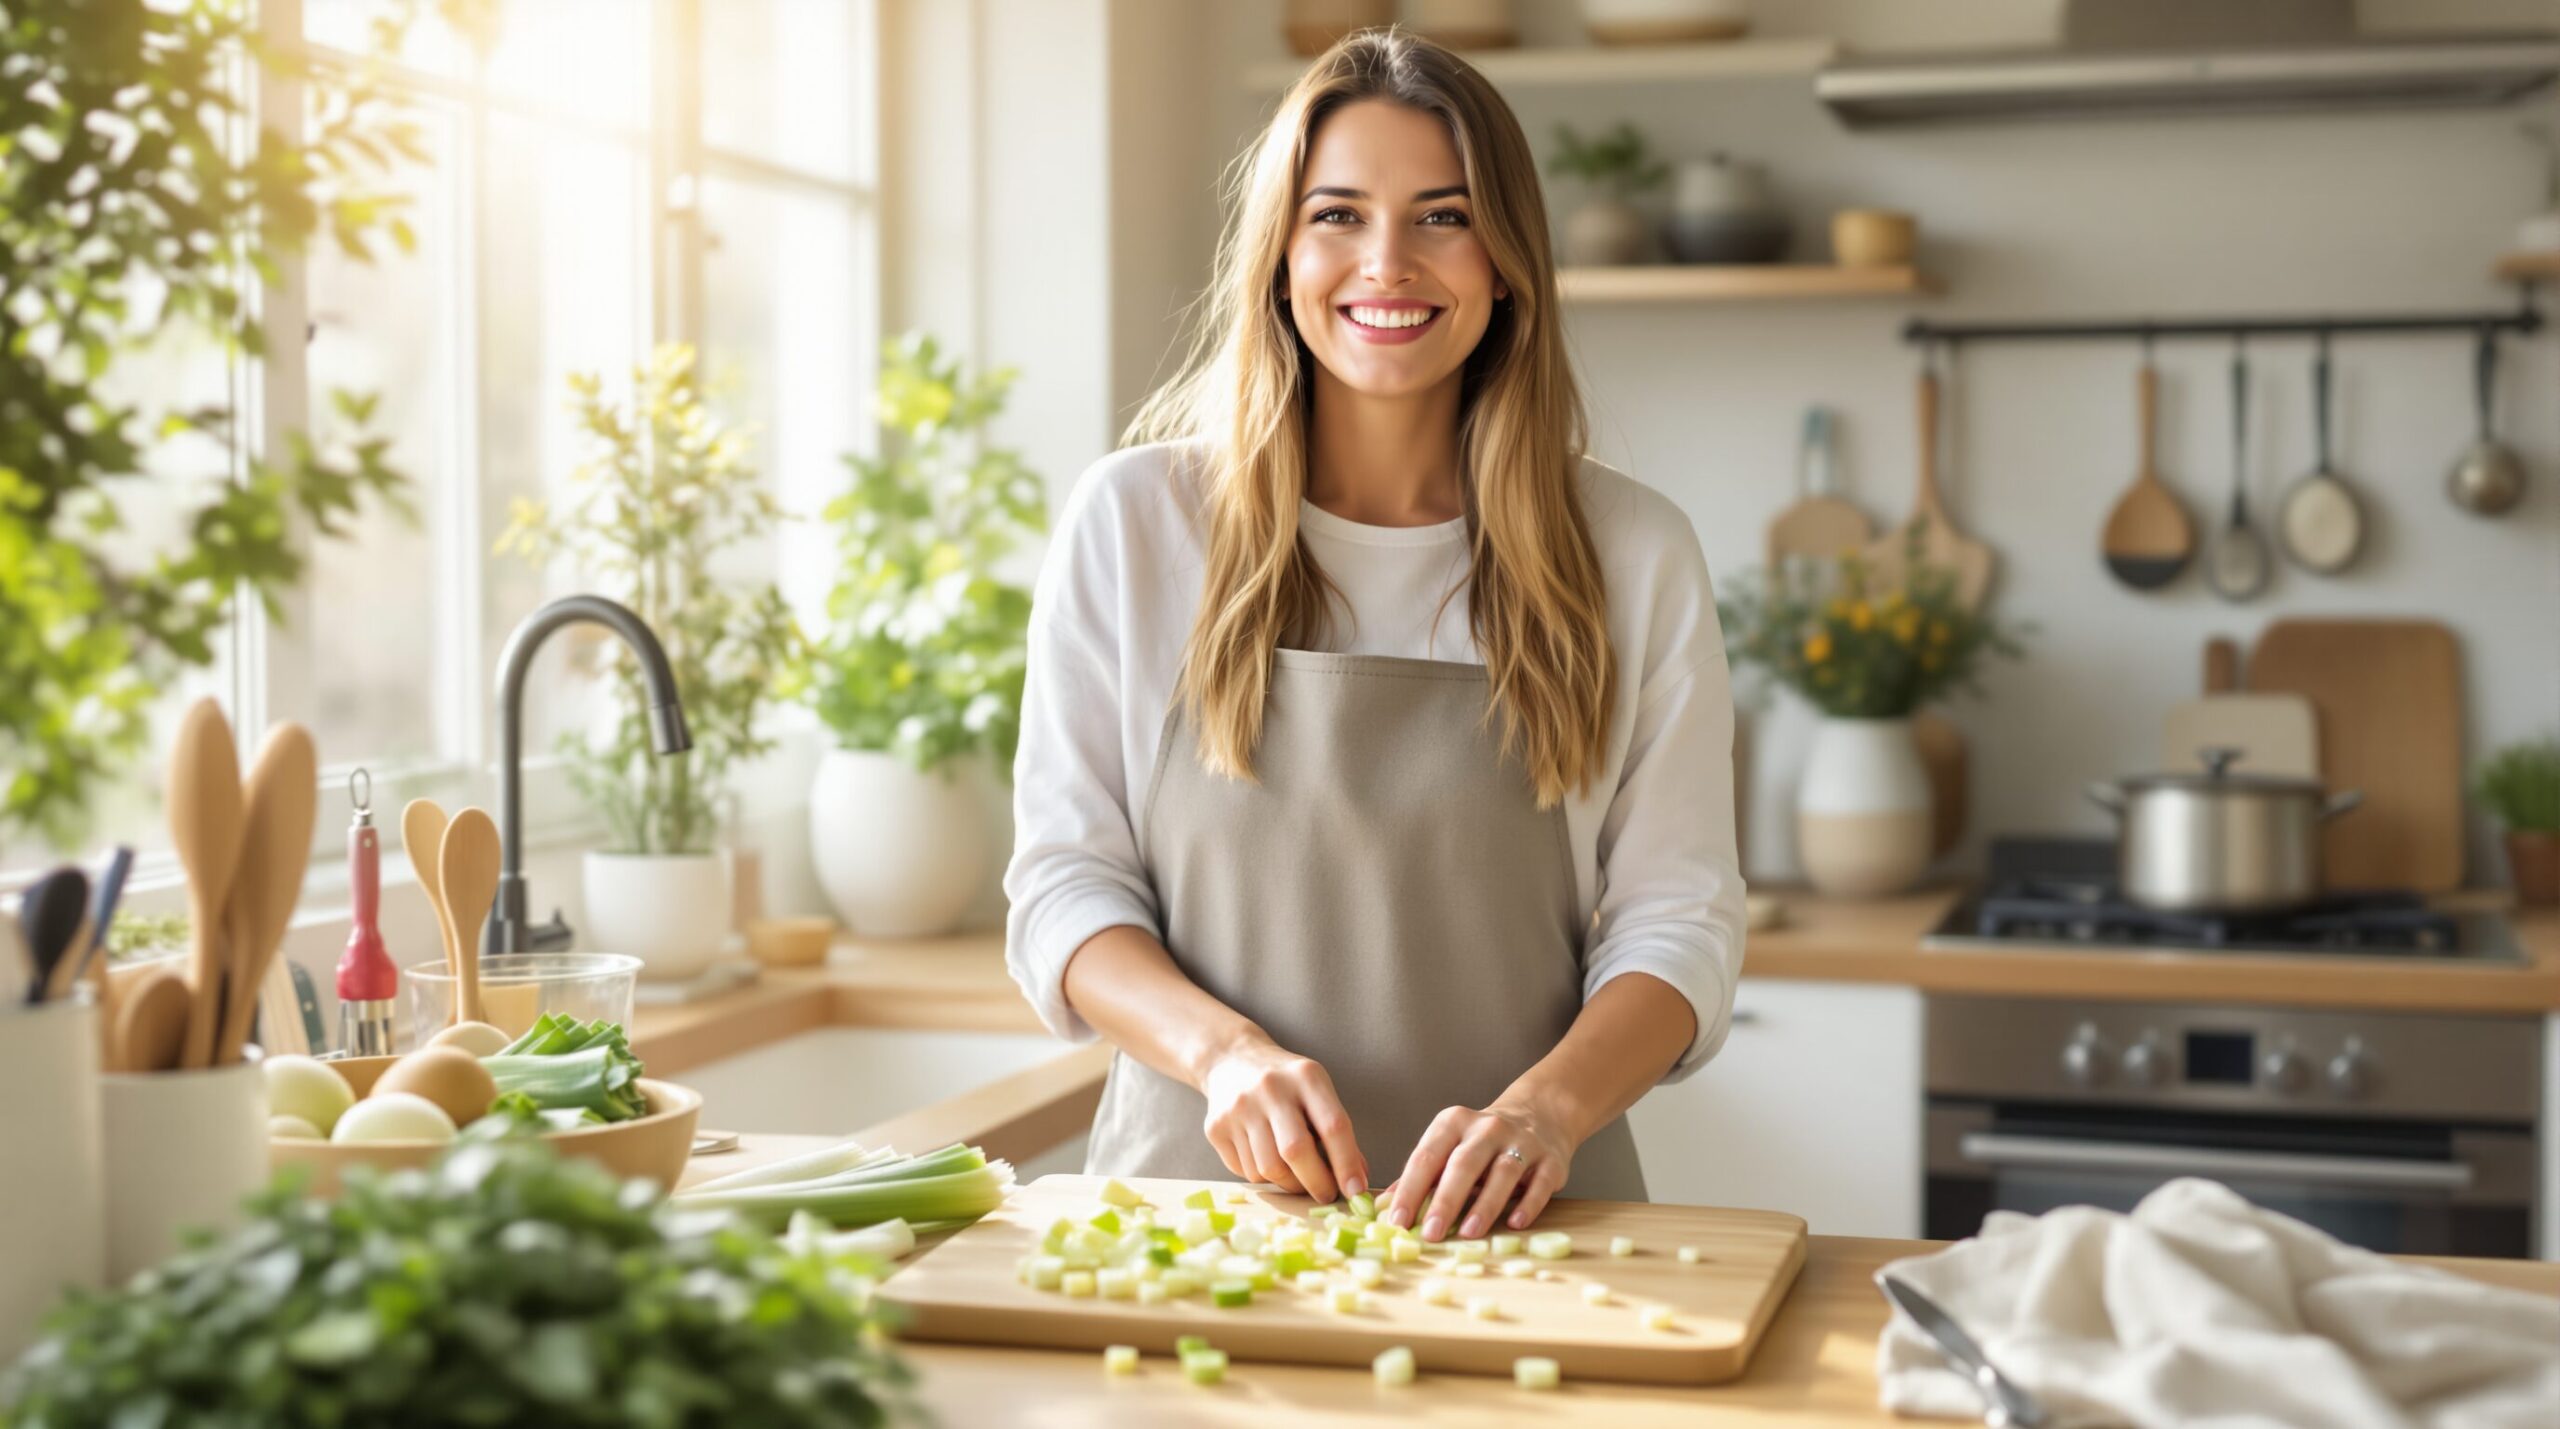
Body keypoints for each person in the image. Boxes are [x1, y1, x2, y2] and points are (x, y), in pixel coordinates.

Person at [1002, 27, 1745, 1243]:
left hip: (1535, 1230)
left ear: (1506, 262)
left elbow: (1680, 916)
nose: (1386, 263)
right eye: (1337, 215)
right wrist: (1223, 1055)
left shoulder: (1632, 550)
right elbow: (1064, 888)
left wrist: (1546, 1113)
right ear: (1280, 257)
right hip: (1195, 1225)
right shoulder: (1136, 524)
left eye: (1443, 216)